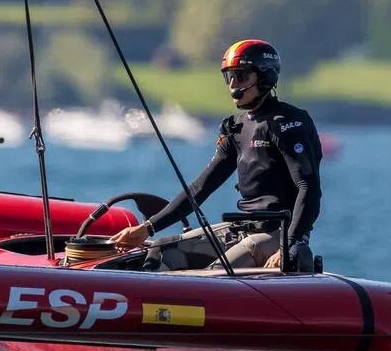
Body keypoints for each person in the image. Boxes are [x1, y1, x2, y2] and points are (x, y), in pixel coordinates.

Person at [109, 39, 321, 271]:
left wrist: (290, 244)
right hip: (241, 229)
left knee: (213, 275)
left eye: (240, 76)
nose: (232, 85)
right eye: (228, 77)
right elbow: (201, 187)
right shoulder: (235, 129)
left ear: (265, 77)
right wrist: (147, 228)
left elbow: (307, 187)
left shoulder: (287, 123)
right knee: (159, 252)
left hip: (277, 235)